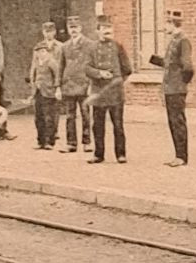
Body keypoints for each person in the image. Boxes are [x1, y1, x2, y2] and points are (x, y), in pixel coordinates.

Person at [150, 8, 194, 166]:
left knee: (178, 122)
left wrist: (181, 84)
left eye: (166, 23)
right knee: (173, 121)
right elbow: (170, 64)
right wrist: (152, 59)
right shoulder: (174, 40)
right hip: (171, 88)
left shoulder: (183, 40)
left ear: (172, 23)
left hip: (176, 89)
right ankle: (178, 154)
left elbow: (188, 67)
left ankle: (181, 156)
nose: (164, 27)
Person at [85, 16, 131, 163]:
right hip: (99, 92)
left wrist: (117, 80)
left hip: (115, 93)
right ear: (97, 31)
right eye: (104, 29)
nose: (107, 32)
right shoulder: (91, 48)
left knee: (118, 125)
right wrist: (99, 74)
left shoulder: (118, 46)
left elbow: (127, 69)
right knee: (97, 126)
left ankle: (121, 154)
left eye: (109, 29)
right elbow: (86, 68)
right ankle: (98, 154)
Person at [57, 15, 95, 153]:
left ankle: (87, 142)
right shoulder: (65, 46)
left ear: (80, 28)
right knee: (69, 116)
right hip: (68, 85)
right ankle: (71, 143)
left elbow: (93, 65)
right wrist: (58, 86)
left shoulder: (89, 44)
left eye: (76, 27)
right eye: (71, 27)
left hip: (84, 84)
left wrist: (91, 84)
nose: (73, 30)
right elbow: (61, 67)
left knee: (85, 114)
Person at [29, 22, 62, 149]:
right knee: (39, 116)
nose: (48, 33)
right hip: (38, 89)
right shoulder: (37, 51)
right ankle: (41, 140)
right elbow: (33, 68)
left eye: (51, 31)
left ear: (54, 32)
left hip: (51, 87)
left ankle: (50, 139)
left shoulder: (60, 47)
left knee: (51, 114)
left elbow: (58, 70)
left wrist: (58, 86)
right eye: (46, 31)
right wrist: (32, 83)